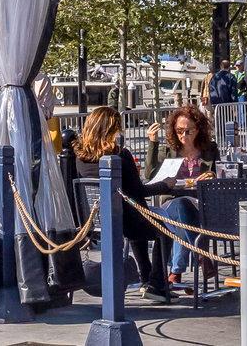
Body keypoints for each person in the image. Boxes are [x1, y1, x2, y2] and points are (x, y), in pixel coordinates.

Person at [72, 106, 172, 300]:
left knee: (142, 224)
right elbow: (139, 191)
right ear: (112, 129)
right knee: (164, 232)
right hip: (123, 219)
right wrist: (165, 185)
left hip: (97, 221)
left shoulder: (80, 158)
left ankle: (146, 279)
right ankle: (157, 283)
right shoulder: (120, 155)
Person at [152, 105, 219, 287]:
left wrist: (212, 176)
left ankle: (176, 272)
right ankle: (201, 256)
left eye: (188, 131)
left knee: (183, 221)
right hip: (171, 203)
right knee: (181, 206)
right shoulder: (169, 150)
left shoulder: (209, 150)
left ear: (198, 130)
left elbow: (220, 174)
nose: (183, 136)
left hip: (201, 203)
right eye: (179, 131)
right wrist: (153, 144)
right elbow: (150, 175)